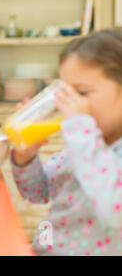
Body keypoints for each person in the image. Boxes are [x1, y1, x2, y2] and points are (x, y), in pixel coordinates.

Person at [11, 28, 122, 256]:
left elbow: (114, 209)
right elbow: (37, 193)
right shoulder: (83, 142)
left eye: (81, 92)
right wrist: (26, 157)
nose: (67, 105)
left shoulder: (85, 141)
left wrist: (81, 133)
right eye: (65, 93)